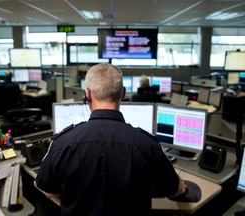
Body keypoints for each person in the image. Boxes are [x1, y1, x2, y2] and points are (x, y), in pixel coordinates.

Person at [36, 63, 187, 215]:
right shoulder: (149, 145)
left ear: (87, 95)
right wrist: (182, 187)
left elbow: (45, 187)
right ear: (123, 94)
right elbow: (174, 189)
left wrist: (73, 204)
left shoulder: (61, 143)